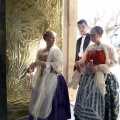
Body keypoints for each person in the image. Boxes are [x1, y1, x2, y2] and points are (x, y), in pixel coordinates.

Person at [74, 26, 119, 120]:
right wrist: (79, 63)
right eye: (90, 35)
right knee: (85, 101)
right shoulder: (90, 47)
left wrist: (99, 67)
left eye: (93, 35)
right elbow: (83, 60)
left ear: (100, 35)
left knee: (99, 103)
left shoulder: (108, 47)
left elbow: (115, 63)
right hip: (88, 78)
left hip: (103, 78)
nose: (91, 37)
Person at [27, 31, 71, 120]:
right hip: (41, 78)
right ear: (46, 39)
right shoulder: (40, 51)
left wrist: (43, 63)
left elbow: (57, 66)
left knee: (49, 99)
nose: (54, 39)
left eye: (55, 37)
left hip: (53, 77)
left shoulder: (56, 51)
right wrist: (32, 68)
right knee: (38, 98)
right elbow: (37, 63)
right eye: (52, 37)